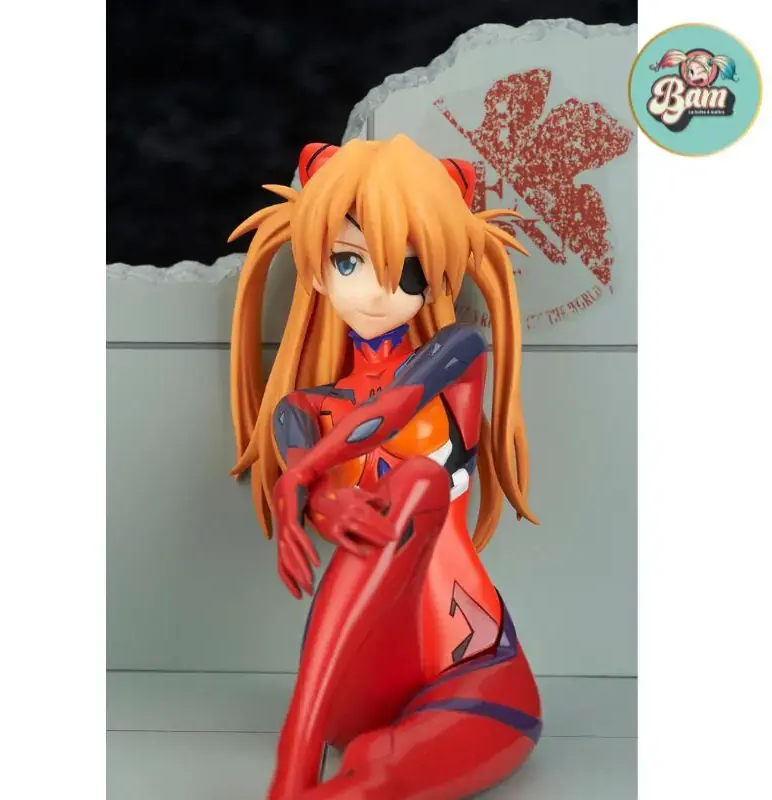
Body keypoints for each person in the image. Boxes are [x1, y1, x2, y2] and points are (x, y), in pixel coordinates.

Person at [228, 135, 541, 799]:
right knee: (412, 484)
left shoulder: (458, 355)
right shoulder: (302, 409)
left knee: (418, 481)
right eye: (349, 261)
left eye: (410, 270)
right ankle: (295, 759)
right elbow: (320, 492)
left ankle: (304, 772)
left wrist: (302, 475)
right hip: (355, 682)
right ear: (316, 269)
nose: (378, 290)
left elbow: (392, 410)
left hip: (471, 668)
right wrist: (313, 495)